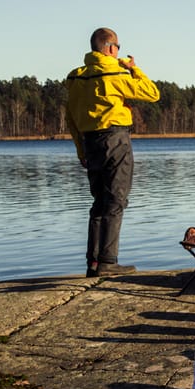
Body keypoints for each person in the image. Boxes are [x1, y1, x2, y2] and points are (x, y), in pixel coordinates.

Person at [65, 27, 161, 277]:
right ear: (110, 48)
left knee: (99, 201)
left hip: (90, 141)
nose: (118, 50)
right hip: (115, 139)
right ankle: (108, 261)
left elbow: (71, 118)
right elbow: (152, 93)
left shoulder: (77, 77)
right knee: (116, 199)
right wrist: (133, 69)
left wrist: (80, 149)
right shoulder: (115, 72)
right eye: (117, 46)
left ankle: (93, 262)